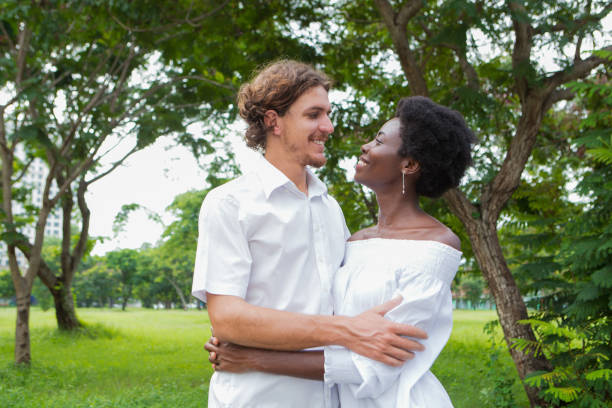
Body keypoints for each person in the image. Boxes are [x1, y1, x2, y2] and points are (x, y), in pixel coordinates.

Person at [205, 96, 476, 407]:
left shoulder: (434, 247)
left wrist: (253, 359)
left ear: (409, 164)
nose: (365, 146)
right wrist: (246, 334)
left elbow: (376, 366)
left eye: (378, 140)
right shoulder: (354, 240)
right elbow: (319, 310)